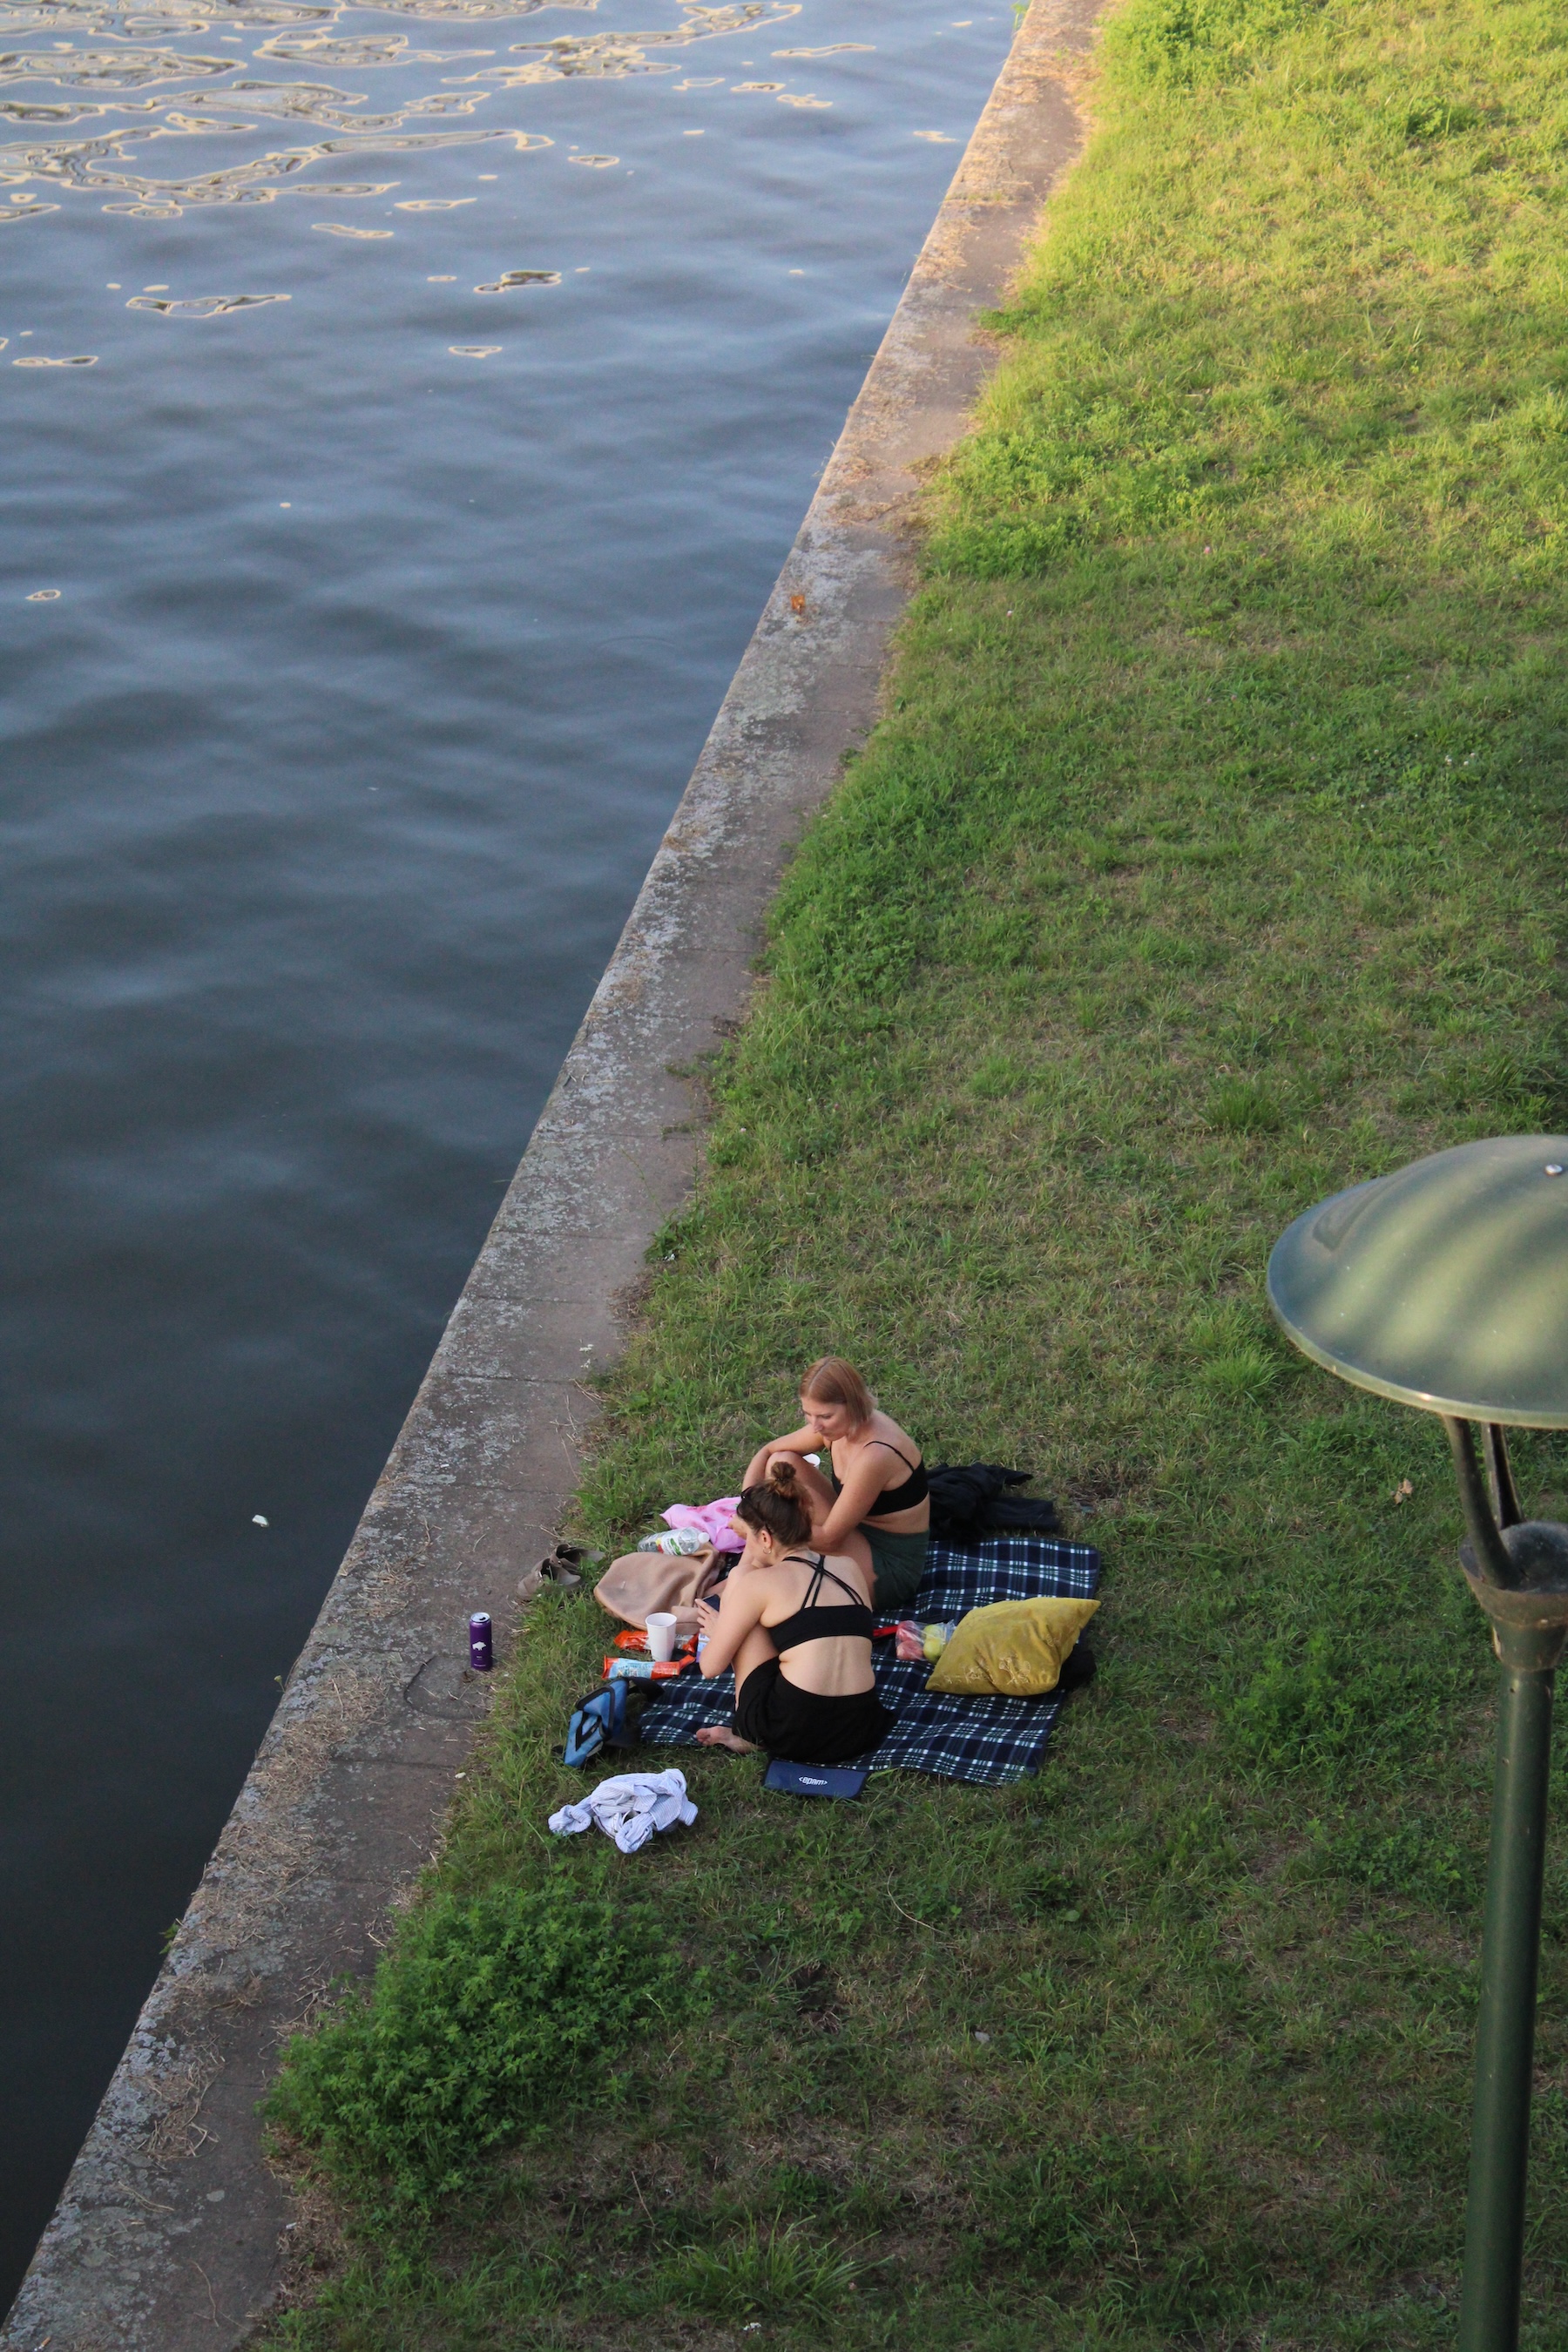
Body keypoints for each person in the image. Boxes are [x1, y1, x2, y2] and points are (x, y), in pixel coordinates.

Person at [693, 1460, 892, 1761]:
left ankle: (752, 1737)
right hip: (858, 1728)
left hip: (790, 1731)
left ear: (764, 1539)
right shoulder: (849, 1568)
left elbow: (710, 1668)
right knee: (789, 1625)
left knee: (743, 1609)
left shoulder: (757, 1583)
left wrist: (722, 1630)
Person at [739, 1355, 929, 1611]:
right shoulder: (838, 1428)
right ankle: (743, 1577)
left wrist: (760, 1531)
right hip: (853, 1527)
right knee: (781, 1462)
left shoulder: (875, 1454)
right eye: (808, 1414)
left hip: (887, 1565)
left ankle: (742, 1585)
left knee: (768, 1533)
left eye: (825, 1416)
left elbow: (829, 1539)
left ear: (853, 1404)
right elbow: (769, 1450)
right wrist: (747, 1505)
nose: (815, 1426)